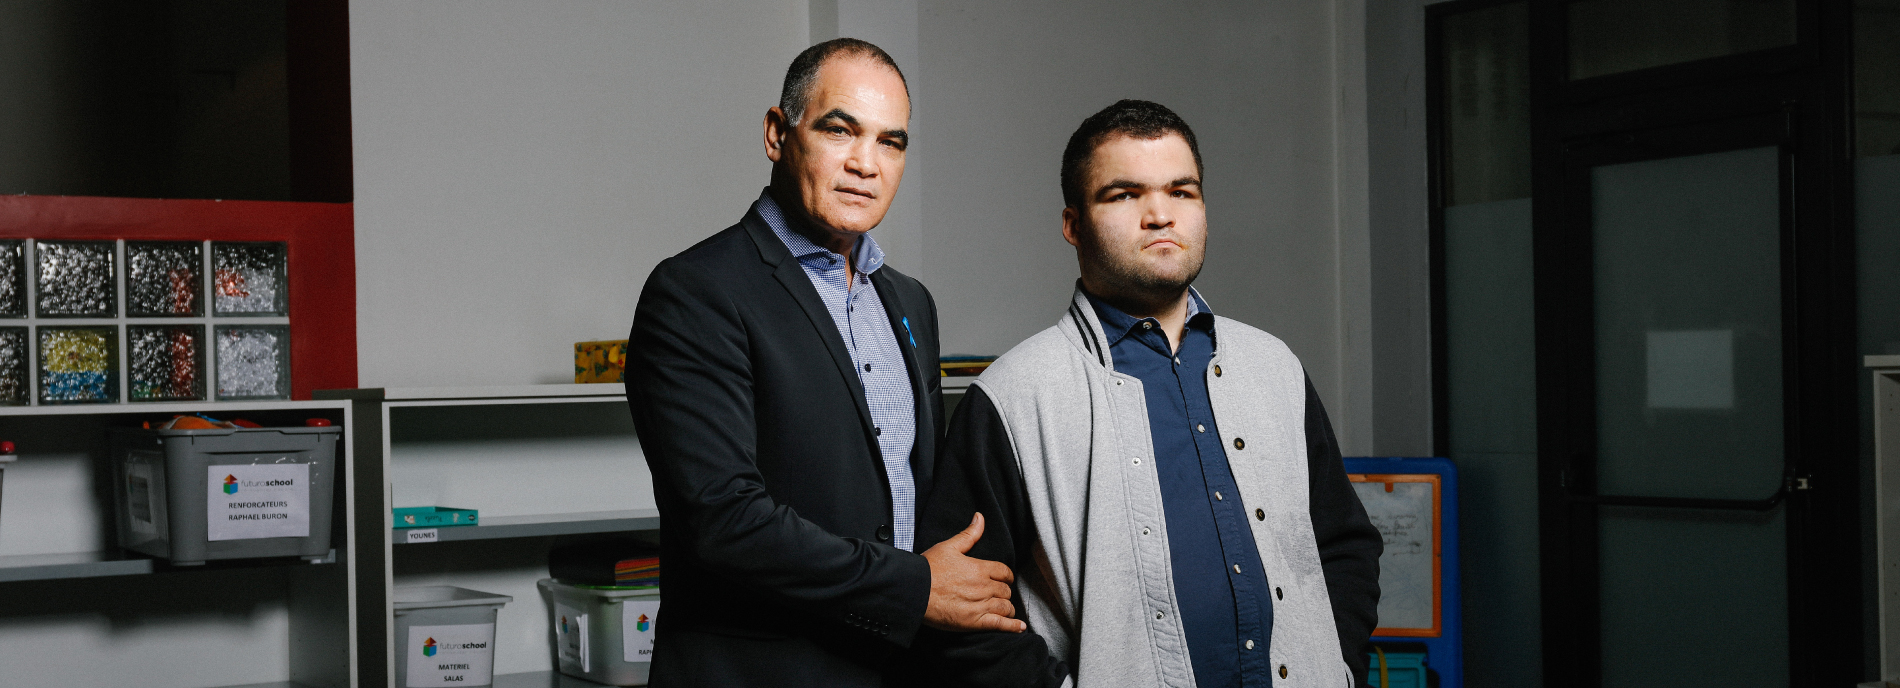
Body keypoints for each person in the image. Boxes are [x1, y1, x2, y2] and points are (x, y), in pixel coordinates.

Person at [914, 100, 1384, 687]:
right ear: (1073, 224)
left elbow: (1345, 545)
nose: (1160, 214)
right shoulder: (1013, 397)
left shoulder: (1274, 367)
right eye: (1124, 194)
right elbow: (961, 617)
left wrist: (1334, 665)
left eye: (1181, 192)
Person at [625, 38, 1023, 688]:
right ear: (778, 134)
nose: (866, 164)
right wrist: (916, 587)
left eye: (891, 142)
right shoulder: (698, 291)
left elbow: (916, 500)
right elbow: (724, 521)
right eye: (841, 130)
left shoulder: (909, 304)